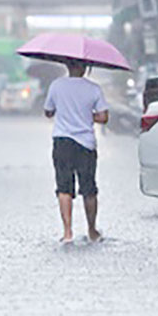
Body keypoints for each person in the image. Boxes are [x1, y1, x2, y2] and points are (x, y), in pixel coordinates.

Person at [43, 59, 110, 243]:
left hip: (62, 141)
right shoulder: (94, 89)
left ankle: (67, 233)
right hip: (85, 144)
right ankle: (92, 231)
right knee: (89, 188)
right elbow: (104, 117)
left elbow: (48, 111)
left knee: (64, 188)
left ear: (67, 66)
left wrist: (62, 110)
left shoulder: (56, 86)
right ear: (85, 68)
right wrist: (87, 115)